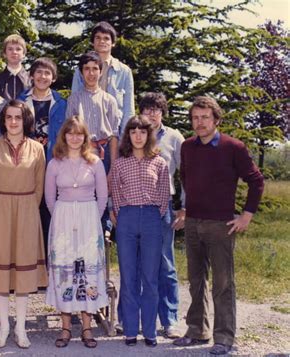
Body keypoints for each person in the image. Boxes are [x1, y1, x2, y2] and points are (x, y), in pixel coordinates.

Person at [174, 96, 264, 355]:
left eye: (204, 117)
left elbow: (256, 181)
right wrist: (185, 210)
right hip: (193, 222)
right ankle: (196, 330)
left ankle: (224, 337)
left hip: (221, 225)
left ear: (216, 119)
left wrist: (246, 215)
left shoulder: (232, 147)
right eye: (195, 118)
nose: (199, 123)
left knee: (223, 283)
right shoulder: (187, 147)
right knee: (195, 280)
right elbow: (187, 180)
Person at [0, 100, 48, 349]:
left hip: (28, 210)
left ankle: (21, 328)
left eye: (18, 117)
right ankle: (4, 326)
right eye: (9, 117)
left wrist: (27, 208)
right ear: (3, 120)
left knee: (24, 274)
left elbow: (39, 187)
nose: (14, 122)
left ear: (25, 120)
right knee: (2, 272)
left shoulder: (38, 149)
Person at [45, 116, 108, 349]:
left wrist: (91, 218)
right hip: (62, 220)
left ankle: (87, 328)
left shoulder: (95, 162)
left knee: (86, 272)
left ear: (85, 137)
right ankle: (65, 328)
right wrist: (63, 216)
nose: (74, 137)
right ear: (64, 136)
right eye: (70, 133)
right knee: (65, 272)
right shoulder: (54, 163)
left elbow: (102, 197)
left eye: (79, 133)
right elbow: (49, 198)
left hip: (89, 219)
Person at [110, 115, 170, 347]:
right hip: (127, 218)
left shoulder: (159, 162)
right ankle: (130, 330)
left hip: (152, 219)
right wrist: (122, 214)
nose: (138, 135)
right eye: (133, 131)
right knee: (128, 276)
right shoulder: (119, 163)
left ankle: (150, 331)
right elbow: (115, 192)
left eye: (142, 132)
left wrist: (155, 213)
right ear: (128, 135)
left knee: (150, 277)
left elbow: (164, 193)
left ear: (148, 135)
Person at [139, 92, 185, 339]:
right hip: (134, 207)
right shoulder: (133, 133)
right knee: (136, 264)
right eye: (147, 109)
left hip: (163, 205)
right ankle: (134, 319)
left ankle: (170, 320)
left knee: (165, 263)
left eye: (156, 109)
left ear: (163, 112)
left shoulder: (174, 137)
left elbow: (186, 175)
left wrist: (184, 207)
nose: (152, 114)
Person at [18, 57, 67, 261]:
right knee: (29, 214)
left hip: (53, 164)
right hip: (26, 165)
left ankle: (49, 265)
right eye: (39, 72)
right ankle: (28, 262)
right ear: (31, 76)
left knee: (50, 214)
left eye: (47, 73)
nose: (42, 76)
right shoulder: (20, 102)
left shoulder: (61, 104)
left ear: (53, 78)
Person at [72, 21, 135, 133]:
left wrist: (126, 137)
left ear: (113, 43)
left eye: (106, 38)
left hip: (114, 133)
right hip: (86, 132)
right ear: (93, 42)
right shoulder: (80, 70)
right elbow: (74, 104)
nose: (102, 41)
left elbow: (128, 109)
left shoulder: (124, 71)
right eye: (98, 38)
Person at [66, 51, 120, 174]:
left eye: (95, 69)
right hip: (80, 151)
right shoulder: (74, 100)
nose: (91, 73)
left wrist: (113, 167)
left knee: (103, 192)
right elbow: (68, 132)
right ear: (81, 72)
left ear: (101, 72)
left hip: (104, 153)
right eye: (87, 69)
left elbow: (114, 136)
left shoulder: (109, 100)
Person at [0, 34, 30, 100]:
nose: (14, 52)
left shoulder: (31, 79)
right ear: (4, 54)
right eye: (10, 49)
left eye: (18, 49)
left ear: (24, 54)